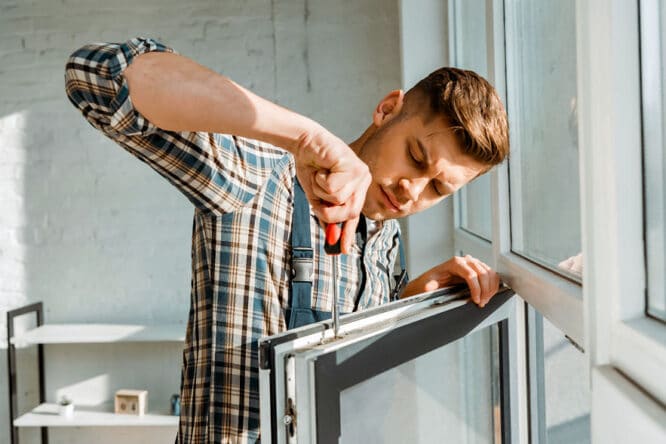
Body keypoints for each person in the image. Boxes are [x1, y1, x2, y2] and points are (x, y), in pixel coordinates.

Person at [64, 37, 509, 443]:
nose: (413, 189)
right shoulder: (261, 177)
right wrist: (307, 137)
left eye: (438, 189)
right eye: (415, 156)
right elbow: (97, 77)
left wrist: (413, 301)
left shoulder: (386, 239)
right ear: (388, 109)